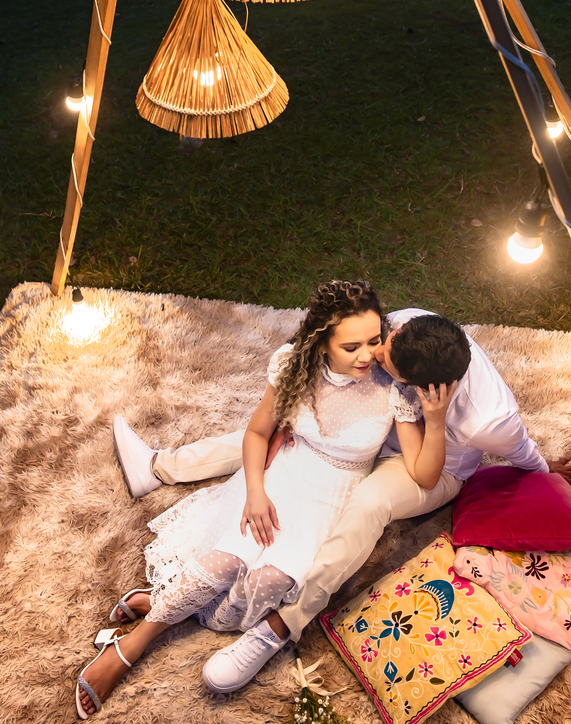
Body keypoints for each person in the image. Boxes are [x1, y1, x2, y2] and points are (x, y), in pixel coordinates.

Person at [112, 307, 571, 694]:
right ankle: (157, 467)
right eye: (384, 341)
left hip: (428, 465)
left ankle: (279, 627)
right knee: (292, 433)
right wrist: (292, 419)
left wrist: (539, 470)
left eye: (384, 358)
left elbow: (512, 454)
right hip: (382, 428)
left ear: (421, 388)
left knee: (368, 503)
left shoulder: (490, 420)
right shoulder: (409, 326)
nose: (375, 354)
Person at [76, 281, 454, 718]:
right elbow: (257, 433)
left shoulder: (393, 386)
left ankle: (165, 597)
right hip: (282, 473)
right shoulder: (294, 366)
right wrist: (255, 493)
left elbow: (425, 475)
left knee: (269, 582)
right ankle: (132, 644)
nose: (368, 355)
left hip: (332, 496)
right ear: (322, 343)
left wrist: (435, 419)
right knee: (227, 564)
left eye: (373, 340)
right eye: (351, 347)